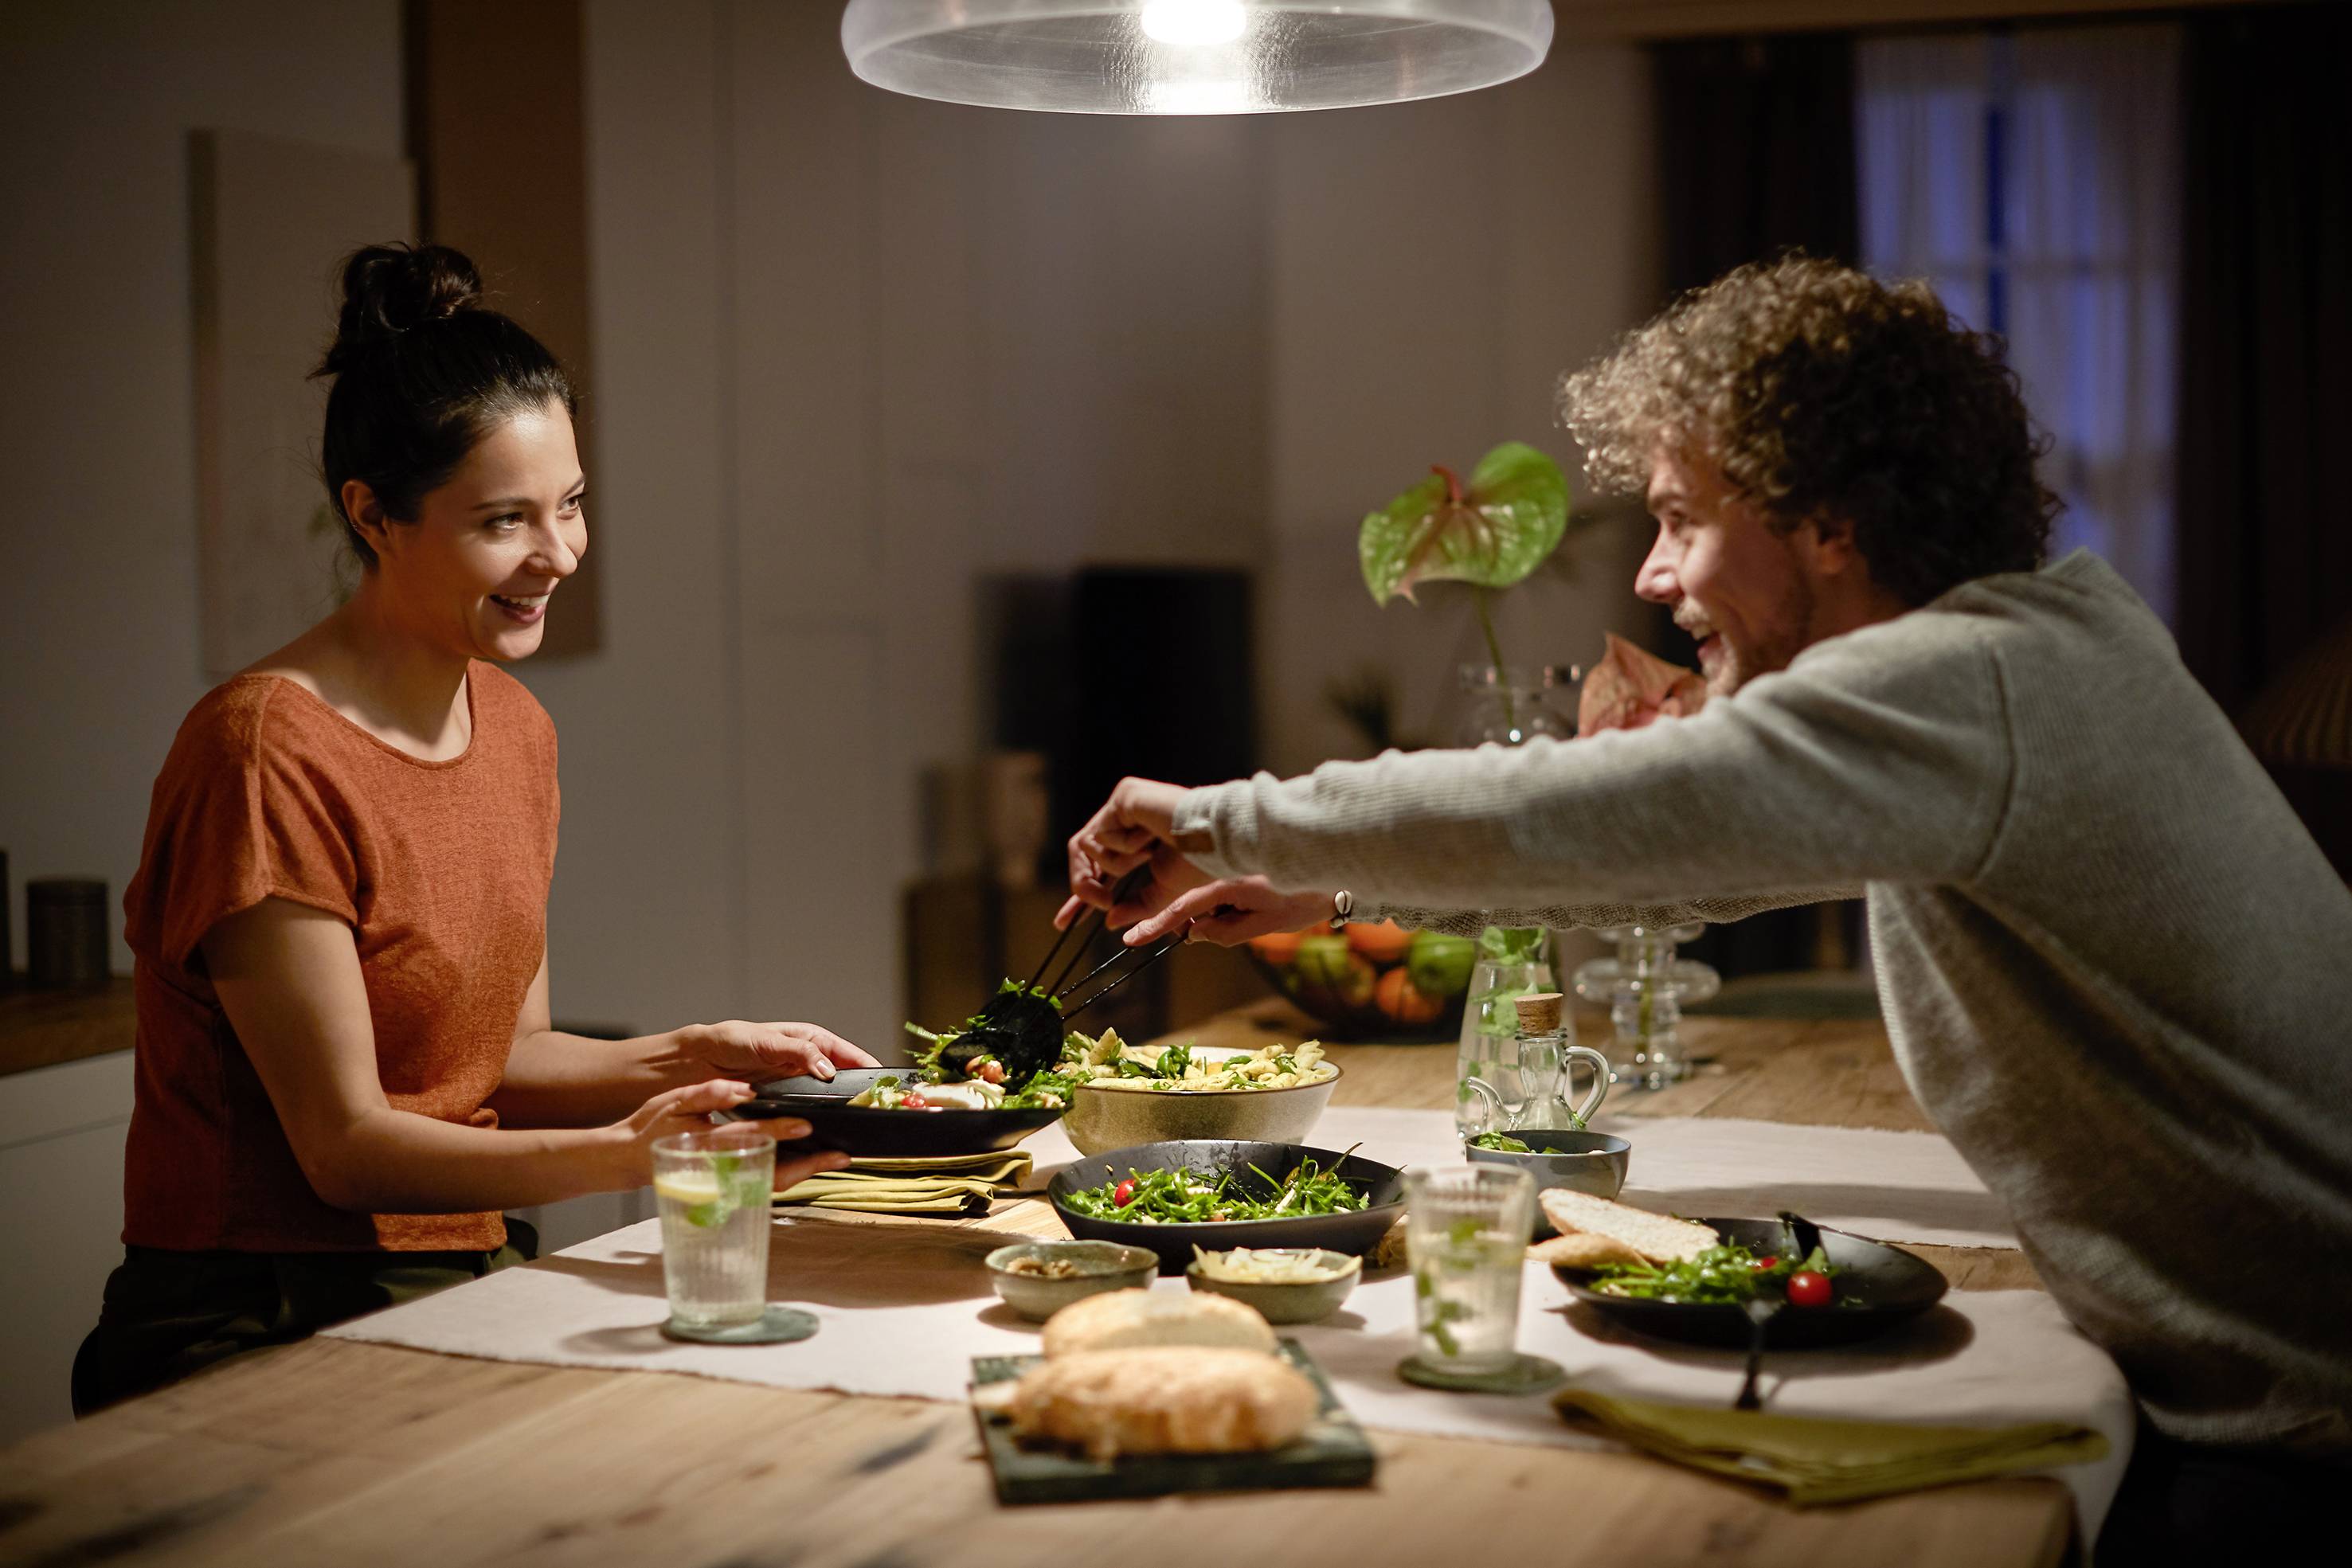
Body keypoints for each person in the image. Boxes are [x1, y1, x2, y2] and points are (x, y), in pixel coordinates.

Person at [1061, 257, 2352, 1548]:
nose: (1651, 577)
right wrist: (1327, 879)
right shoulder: (2029, 655)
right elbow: (1702, 860)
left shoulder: (1974, 679)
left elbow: (1578, 812)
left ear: (1831, 521)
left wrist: (1218, 813)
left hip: (2299, 1433)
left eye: (1680, 520)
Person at [74, 244, 871, 1413]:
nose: (558, 555)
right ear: (372, 514)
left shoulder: (513, 725)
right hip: (256, 1320)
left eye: (572, 503)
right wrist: (637, 1151)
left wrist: (698, 1061)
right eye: (505, 520)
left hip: (459, 1273)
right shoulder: (263, 748)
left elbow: (499, 1061)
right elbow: (345, 1147)